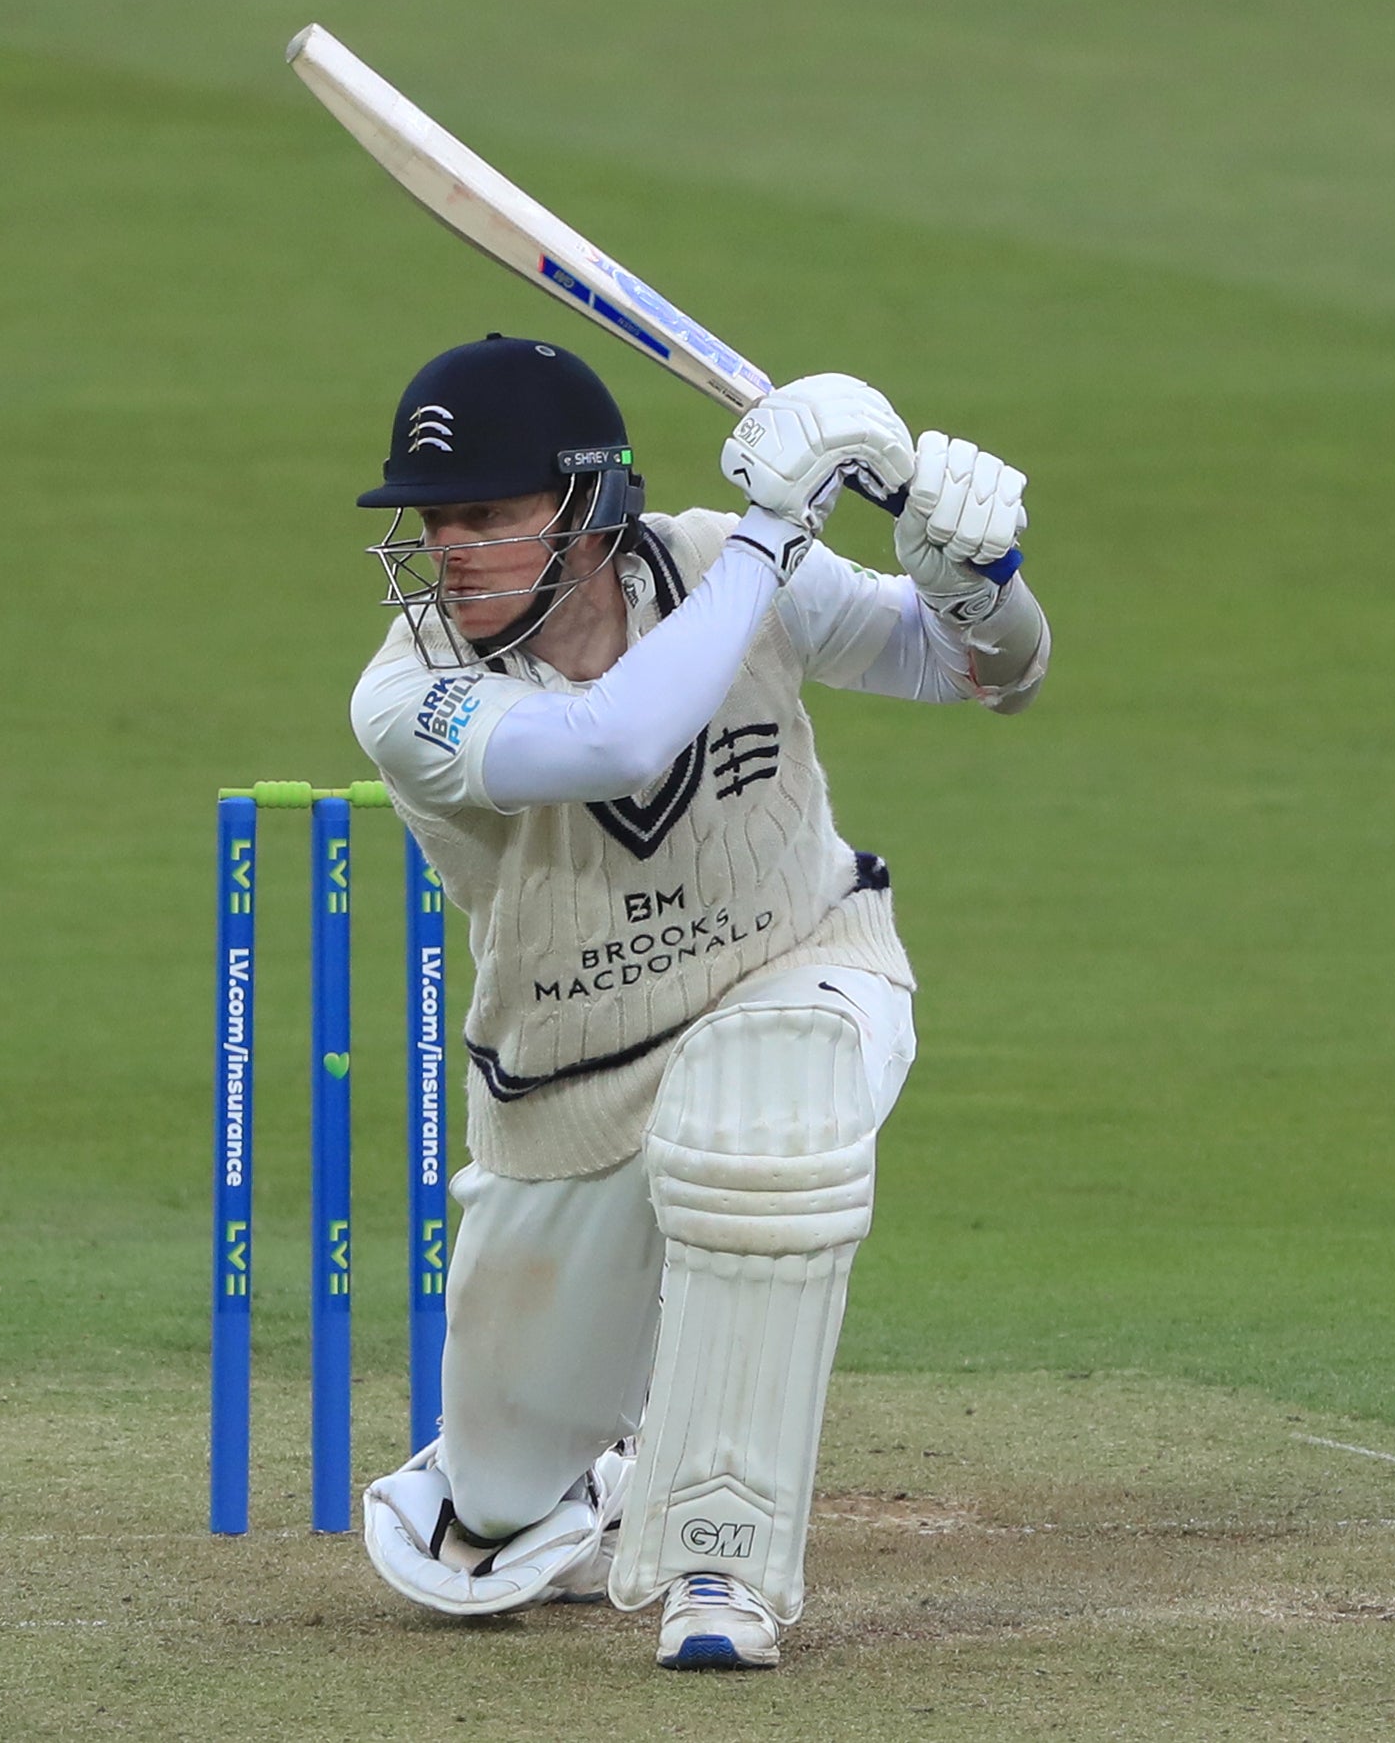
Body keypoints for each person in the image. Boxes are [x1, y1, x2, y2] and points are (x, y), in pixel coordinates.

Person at [347, 334, 1048, 1669]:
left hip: (801, 959)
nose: (452, 549)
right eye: (434, 521)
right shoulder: (406, 695)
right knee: (494, 1507)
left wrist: (983, 583)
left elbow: (989, 673)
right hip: (567, 1077)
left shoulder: (718, 560)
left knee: (762, 1108)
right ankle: (584, 1477)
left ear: (593, 504)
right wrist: (777, 534)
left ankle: (722, 1567)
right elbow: (615, 739)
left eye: (488, 514)